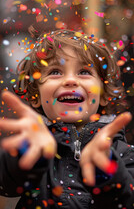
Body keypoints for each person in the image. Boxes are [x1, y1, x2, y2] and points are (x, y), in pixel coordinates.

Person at [0, 29, 133, 209]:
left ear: (102, 94)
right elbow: (6, 186)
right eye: (55, 72)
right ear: (36, 96)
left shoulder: (123, 152)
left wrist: (105, 168)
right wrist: (28, 153)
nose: (70, 80)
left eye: (84, 72)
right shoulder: (33, 142)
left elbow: (127, 201)